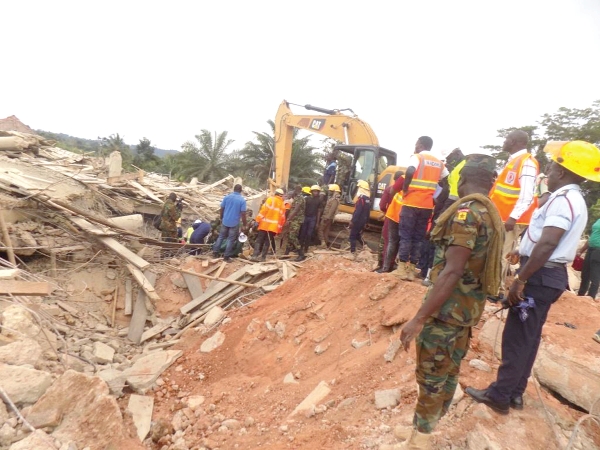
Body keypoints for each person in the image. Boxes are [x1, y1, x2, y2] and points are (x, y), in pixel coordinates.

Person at [465, 140, 600, 415]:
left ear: (562, 171)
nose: (547, 172)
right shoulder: (573, 199)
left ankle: (500, 395)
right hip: (547, 275)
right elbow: (544, 239)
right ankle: (514, 393)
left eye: (550, 166)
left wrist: (521, 279)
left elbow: (549, 243)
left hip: (539, 278)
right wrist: (522, 249)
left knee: (517, 338)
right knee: (529, 337)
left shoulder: (563, 201)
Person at [395, 154, 504, 449]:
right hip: (466, 312)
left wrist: (418, 318)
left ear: (461, 179)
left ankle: (420, 441)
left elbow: (453, 270)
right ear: (490, 182)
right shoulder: (490, 214)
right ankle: (422, 428)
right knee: (448, 372)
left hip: (446, 312)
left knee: (431, 376)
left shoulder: (467, 214)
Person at [489, 130, 539, 300]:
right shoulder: (514, 161)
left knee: (503, 253)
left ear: (515, 141)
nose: (504, 141)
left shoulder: (527, 163)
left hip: (511, 219)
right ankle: (495, 287)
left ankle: (497, 290)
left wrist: (513, 217)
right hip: (504, 217)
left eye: (507, 138)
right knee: (500, 251)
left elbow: (526, 195)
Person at [396, 136, 448, 281]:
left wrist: (405, 188)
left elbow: (411, 170)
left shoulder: (417, 157)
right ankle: (412, 270)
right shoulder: (439, 163)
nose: (415, 146)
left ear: (420, 145)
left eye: (416, 144)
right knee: (418, 238)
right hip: (427, 206)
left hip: (411, 203)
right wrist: (438, 199)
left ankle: (401, 268)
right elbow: (447, 182)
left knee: (406, 235)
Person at [376, 172, 405, 273]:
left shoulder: (389, 189)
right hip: (403, 219)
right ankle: (392, 265)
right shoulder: (407, 192)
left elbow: (382, 205)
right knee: (397, 243)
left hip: (391, 217)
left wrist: (385, 212)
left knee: (387, 242)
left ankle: (384, 266)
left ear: (394, 179)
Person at [212, 184, 247, 262]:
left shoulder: (227, 197)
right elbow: (243, 213)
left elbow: (222, 208)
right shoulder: (242, 200)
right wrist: (244, 224)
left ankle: (215, 253)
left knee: (221, 237)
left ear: (233, 189)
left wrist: (221, 218)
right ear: (241, 191)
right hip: (234, 222)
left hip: (225, 221)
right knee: (231, 240)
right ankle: (226, 257)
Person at [251, 189, 286, 261]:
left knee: (259, 240)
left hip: (264, 225)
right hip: (273, 227)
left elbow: (263, 211)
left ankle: (255, 255)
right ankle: (263, 257)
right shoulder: (282, 205)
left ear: (275, 193)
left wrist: (257, 220)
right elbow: (282, 219)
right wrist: (279, 230)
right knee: (267, 241)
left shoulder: (270, 200)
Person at [345, 180, 371, 260]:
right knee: (357, 235)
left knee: (352, 236)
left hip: (358, 220)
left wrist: (352, 221)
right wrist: (366, 222)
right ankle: (366, 246)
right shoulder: (368, 200)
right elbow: (368, 212)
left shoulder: (361, 199)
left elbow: (357, 211)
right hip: (363, 220)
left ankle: (352, 253)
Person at [577, 217, 600, 299]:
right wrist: (581, 250)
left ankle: (591, 296)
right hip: (590, 248)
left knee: (595, 274)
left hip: (598, 250)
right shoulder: (598, 220)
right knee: (585, 273)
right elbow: (592, 236)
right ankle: (580, 295)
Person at [298, 185, 322, 255]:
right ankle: (300, 247)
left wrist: (317, 222)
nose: (316, 193)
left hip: (313, 218)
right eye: (314, 191)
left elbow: (319, 211)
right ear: (311, 191)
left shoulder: (319, 200)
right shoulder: (307, 199)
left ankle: (306, 248)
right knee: (303, 233)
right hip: (305, 217)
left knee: (309, 234)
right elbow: (302, 209)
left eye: (317, 191)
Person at [284, 185, 306, 259]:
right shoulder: (296, 198)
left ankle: (301, 254)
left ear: (298, 190)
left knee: (292, 236)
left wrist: (288, 219)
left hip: (296, 220)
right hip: (294, 220)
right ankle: (286, 254)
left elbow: (296, 210)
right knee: (289, 236)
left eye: (295, 189)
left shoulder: (300, 198)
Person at [318, 184, 342, 249]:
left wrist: (327, 217)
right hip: (328, 217)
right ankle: (326, 244)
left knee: (320, 229)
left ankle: (323, 243)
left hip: (327, 217)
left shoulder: (334, 200)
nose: (329, 192)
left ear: (334, 191)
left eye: (331, 191)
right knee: (326, 231)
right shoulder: (333, 199)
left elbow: (332, 210)